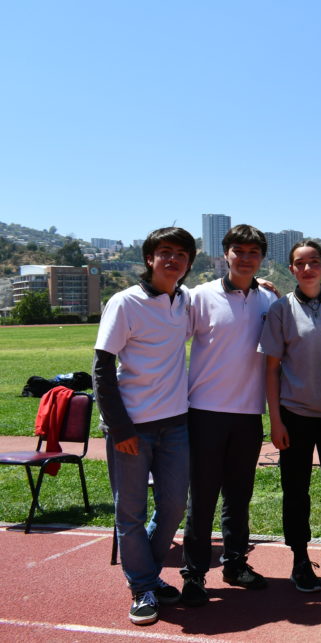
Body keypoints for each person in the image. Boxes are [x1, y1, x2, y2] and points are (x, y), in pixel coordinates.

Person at [94, 226, 196, 625]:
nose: (173, 259)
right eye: (165, 252)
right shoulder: (125, 302)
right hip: (132, 427)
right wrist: (120, 429)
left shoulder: (183, 301)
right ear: (149, 259)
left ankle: (147, 575)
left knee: (174, 505)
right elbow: (102, 368)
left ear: (188, 263)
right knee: (130, 512)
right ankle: (142, 587)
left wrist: (261, 286)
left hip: (175, 424)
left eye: (181, 254)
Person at [180, 224, 279, 605]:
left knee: (239, 497)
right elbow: (172, 343)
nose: (246, 258)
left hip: (248, 414)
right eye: (239, 251)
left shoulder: (268, 300)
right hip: (204, 412)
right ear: (226, 255)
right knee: (202, 499)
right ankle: (194, 574)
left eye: (254, 252)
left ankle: (235, 564)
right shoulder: (199, 296)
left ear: (262, 258)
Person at [258, 240, 321, 593]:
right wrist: (276, 421)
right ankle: (300, 558)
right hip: (295, 415)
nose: (308, 268)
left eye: (314, 262)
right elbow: (271, 369)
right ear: (292, 270)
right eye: (300, 263)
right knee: (296, 491)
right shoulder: (281, 309)